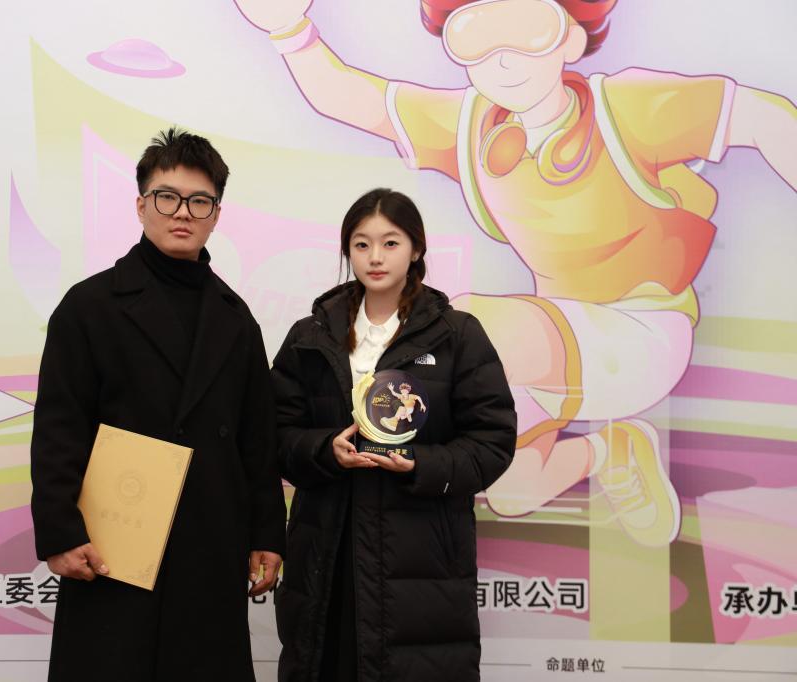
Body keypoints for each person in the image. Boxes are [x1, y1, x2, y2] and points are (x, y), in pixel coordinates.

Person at [235, 0, 797, 547]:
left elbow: (764, 118)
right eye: (475, 38)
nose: (502, 59)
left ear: (571, 36)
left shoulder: (625, 109)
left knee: (461, 325)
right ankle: (612, 450)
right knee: (511, 484)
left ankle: (375, 428)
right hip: (549, 350)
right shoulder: (473, 127)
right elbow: (353, 99)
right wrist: (289, 29)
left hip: (642, 334)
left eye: (527, 30)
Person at [30, 127, 286, 681]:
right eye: (167, 197)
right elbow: (59, 428)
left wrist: (267, 533)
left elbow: (257, 439)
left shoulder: (236, 318)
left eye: (200, 201)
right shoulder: (89, 306)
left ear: (216, 215)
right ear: (141, 205)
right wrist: (60, 531)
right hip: (114, 541)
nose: (183, 212)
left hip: (210, 538)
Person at [270, 188, 517, 682]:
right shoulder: (309, 336)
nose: (375, 257)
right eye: (361, 245)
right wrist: (324, 450)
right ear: (347, 251)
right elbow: (275, 433)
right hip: (327, 551)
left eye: (390, 243)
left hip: (419, 559)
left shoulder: (457, 335)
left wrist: (420, 464)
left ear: (416, 249)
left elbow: (492, 440)